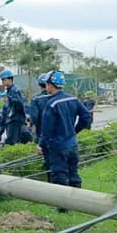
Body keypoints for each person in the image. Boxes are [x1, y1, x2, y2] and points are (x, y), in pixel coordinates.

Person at [38, 71, 93, 206]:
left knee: (59, 175)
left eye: (46, 84)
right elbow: (87, 118)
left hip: (58, 146)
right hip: (72, 144)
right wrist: (74, 131)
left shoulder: (51, 104)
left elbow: (47, 129)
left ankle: (63, 207)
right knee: (73, 173)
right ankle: (79, 201)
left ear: (50, 85)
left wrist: (41, 145)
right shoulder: (73, 99)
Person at [0, 70, 28, 145]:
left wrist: (12, 114)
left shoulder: (14, 90)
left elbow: (19, 104)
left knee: (12, 141)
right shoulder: (10, 90)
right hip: (13, 119)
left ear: (10, 79)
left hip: (15, 119)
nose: (2, 82)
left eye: (4, 80)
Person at [28, 74, 51, 143]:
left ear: (39, 84)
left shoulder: (36, 99)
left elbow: (34, 116)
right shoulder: (55, 97)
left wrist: (32, 124)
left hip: (41, 131)